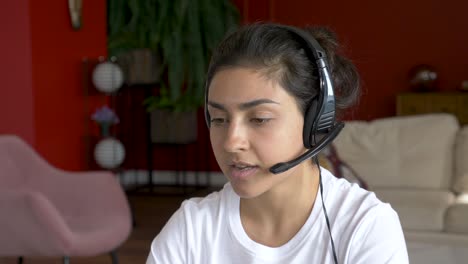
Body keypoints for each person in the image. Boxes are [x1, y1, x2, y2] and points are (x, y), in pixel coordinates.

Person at [146, 22, 409, 264]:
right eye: (218, 119)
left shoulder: (365, 227)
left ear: (315, 121)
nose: (230, 142)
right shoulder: (191, 229)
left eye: (259, 119)